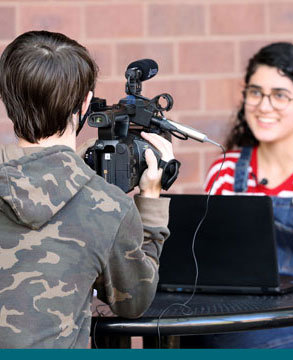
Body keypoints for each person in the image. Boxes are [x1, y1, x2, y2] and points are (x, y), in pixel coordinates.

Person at [0, 30, 175, 348]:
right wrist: (150, 199)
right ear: (84, 104)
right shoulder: (105, 205)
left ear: (7, 100)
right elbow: (133, 302)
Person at [181, 42, 293, 348]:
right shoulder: (225, 173)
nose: (264, 106)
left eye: (280, 95)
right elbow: (211, 267)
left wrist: (276, 308)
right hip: (243, 320)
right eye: (255, 92)